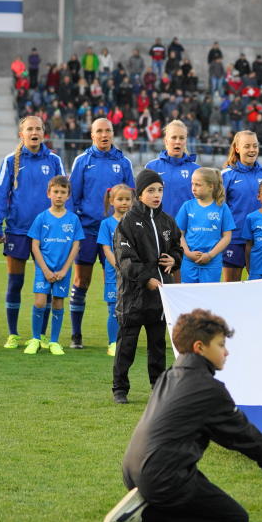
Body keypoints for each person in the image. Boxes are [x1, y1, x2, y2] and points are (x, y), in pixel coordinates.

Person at [103, 309, 262, 522]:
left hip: (133, 471)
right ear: (199, 347)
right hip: (164, 478)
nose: (226, 352)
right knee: (235, 518)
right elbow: (239, 433)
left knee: (204, 498)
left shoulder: (169, 375)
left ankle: (145, 502)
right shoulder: (208, 388)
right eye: (220, 345)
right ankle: (144, 514)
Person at [0, 116, 66, 350]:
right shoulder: (10, 161)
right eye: (29, 129)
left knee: (45, 285)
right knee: (15, 283)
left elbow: (66, 193)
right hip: (17, 230)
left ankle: (42, 336)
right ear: (21, 134)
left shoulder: (54, 160)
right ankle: (13, 334)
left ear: (44, 132)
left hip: (48, 234)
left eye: (38, 128)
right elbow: (1, 195)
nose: (34, 132)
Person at [112, 170, 182, 404]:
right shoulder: (127, 223)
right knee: (126, 347)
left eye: (159, 190)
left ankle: (158, 387)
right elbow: (125, 260)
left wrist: (175, 259)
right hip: (133, 297)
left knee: (157, 346)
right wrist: (146, 279)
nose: (156, 195)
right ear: (139, 194)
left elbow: (177, 248)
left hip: (160, 297)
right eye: (151, 190)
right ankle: (119, 389)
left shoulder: (167, 221)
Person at [67, 117, 136, 349]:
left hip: (117, 233)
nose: (104, 135)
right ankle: (76, 335)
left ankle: (118, 338)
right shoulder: (82, 160)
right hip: (87, 230)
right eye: (99, 131)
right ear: (92, 135)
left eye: (108, 131)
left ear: (113, 134)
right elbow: (72, 197)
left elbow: (132, 198)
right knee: (81, 280)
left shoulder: (123, 162)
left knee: (118, 281)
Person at [25, 176, 84, 355]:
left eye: (63, 192)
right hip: (43, 269)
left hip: (62, 271)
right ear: (48, 193)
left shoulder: (73, 219)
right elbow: (34, 245)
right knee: (40, 302)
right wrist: (44, 269)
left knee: (58, 303)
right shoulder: (41, 218)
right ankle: (36, 339)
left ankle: (54, 342)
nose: (59, 195)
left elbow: (76, 245)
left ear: (68, 196)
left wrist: (65, 269)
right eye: (55, 192)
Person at [220, 131, 262, 282]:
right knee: (231, 289)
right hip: (234, 240)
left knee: (261, 290)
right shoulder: (226, 175)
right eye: (247, 146)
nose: (252, 150)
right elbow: (220, 210)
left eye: (255, 146)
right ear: (237, 148)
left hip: (261, 241)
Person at [176, 168, 235, 284]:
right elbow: (179, 234)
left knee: (208, 298)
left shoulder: (222, 208)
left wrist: (210, 255)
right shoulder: (187, 206)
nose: (193, 188)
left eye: (198, 185)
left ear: (211, 187)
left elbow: (227, 237)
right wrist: (188, 253)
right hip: (189, 262)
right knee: (188, 298)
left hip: (212, 264)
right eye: (192, 184)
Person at [98, 184, 134, 357]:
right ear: (112, 201)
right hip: (115, 274)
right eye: (120, 199)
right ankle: (113, 343)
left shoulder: (136, 223)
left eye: (127, 199)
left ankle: (126, 342)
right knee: (114, 309)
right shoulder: (106, 224)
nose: (124, 203)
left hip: (132, 274)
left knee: (130, 309)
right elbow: (106, 248)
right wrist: (119, 266)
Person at [144, 120, 200, 219]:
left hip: (186, 231)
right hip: (158, 228)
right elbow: (143, 201)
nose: (178, 141)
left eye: (181, 138)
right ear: (166, 141)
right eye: (174, 137)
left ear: (185, 141)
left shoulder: (196, 170)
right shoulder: (152, 167)